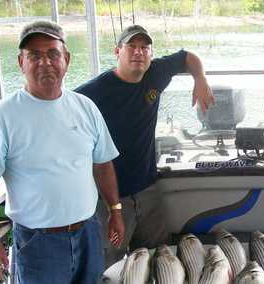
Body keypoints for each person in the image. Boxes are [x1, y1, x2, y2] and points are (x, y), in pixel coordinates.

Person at [0, 21, 125, 284]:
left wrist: (115, 210)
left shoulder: (85, 108)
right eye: (35, 55)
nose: (45, 62)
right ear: (21, 63)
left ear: (66, 59)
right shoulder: (2, 117)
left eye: (52, 54)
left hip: (86, 229)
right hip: (37, 240)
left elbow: (102, 164)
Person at [76, 25, 214, 265]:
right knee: (109, 263)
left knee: (158, 258)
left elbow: (188, 57)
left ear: (151, 54)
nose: (138, 52)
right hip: (110, 199)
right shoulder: (93, 92)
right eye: (132, 46)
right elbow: (64, 116)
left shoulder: (156, 73)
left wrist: (200, 78)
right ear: (117, 51)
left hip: (148, 190)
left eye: (144, 47)